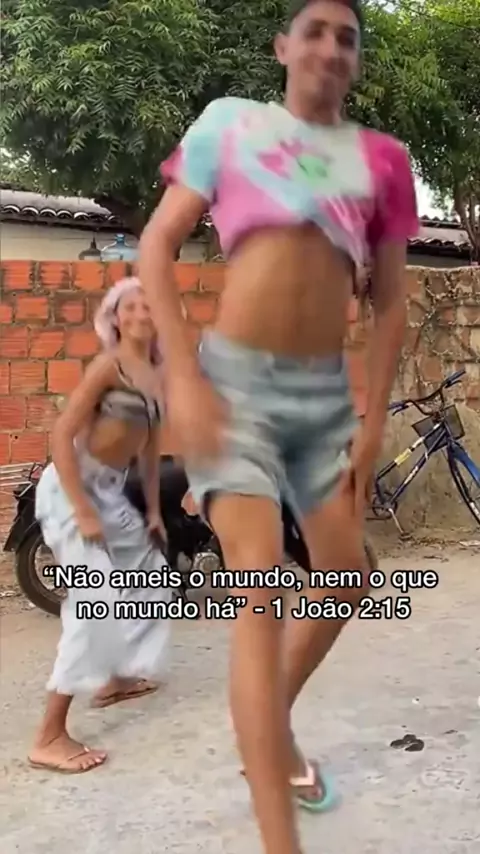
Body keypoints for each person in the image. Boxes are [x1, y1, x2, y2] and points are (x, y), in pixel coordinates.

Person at [138, 0, 418, 851]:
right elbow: (156, 245)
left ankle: (267, 726)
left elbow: (392, 304)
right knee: (258, 586)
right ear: (283, 46)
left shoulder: (382, 160)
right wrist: (183, 380)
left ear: (356, 60)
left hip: (323, 402)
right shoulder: (231, 125)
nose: (331, 47)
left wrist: (372, 424)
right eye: (316, 31)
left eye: (348, 37)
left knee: (347, 578)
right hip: (235, 389)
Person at [28, 277, 171, 774]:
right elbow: (61, 435)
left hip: (110, 490)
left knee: (151, 574)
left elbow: (150, 451)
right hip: (72, 487)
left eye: (148, 304)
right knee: (96, 601)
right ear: (115, 318)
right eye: (129, 306)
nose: (140, 313)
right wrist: (82, 509)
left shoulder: (157, 374)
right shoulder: (108, 366)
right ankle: (49, 735)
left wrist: (153, 511)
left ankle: (117, 678)